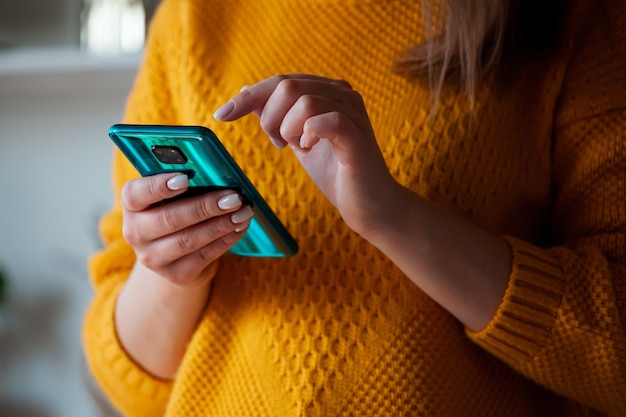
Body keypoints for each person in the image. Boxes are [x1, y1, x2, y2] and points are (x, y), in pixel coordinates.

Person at [82, 0, 626, 416]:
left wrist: (392, 217)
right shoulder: (193, 15)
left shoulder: (573, 18)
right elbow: (126, 377)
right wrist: (171, 271)